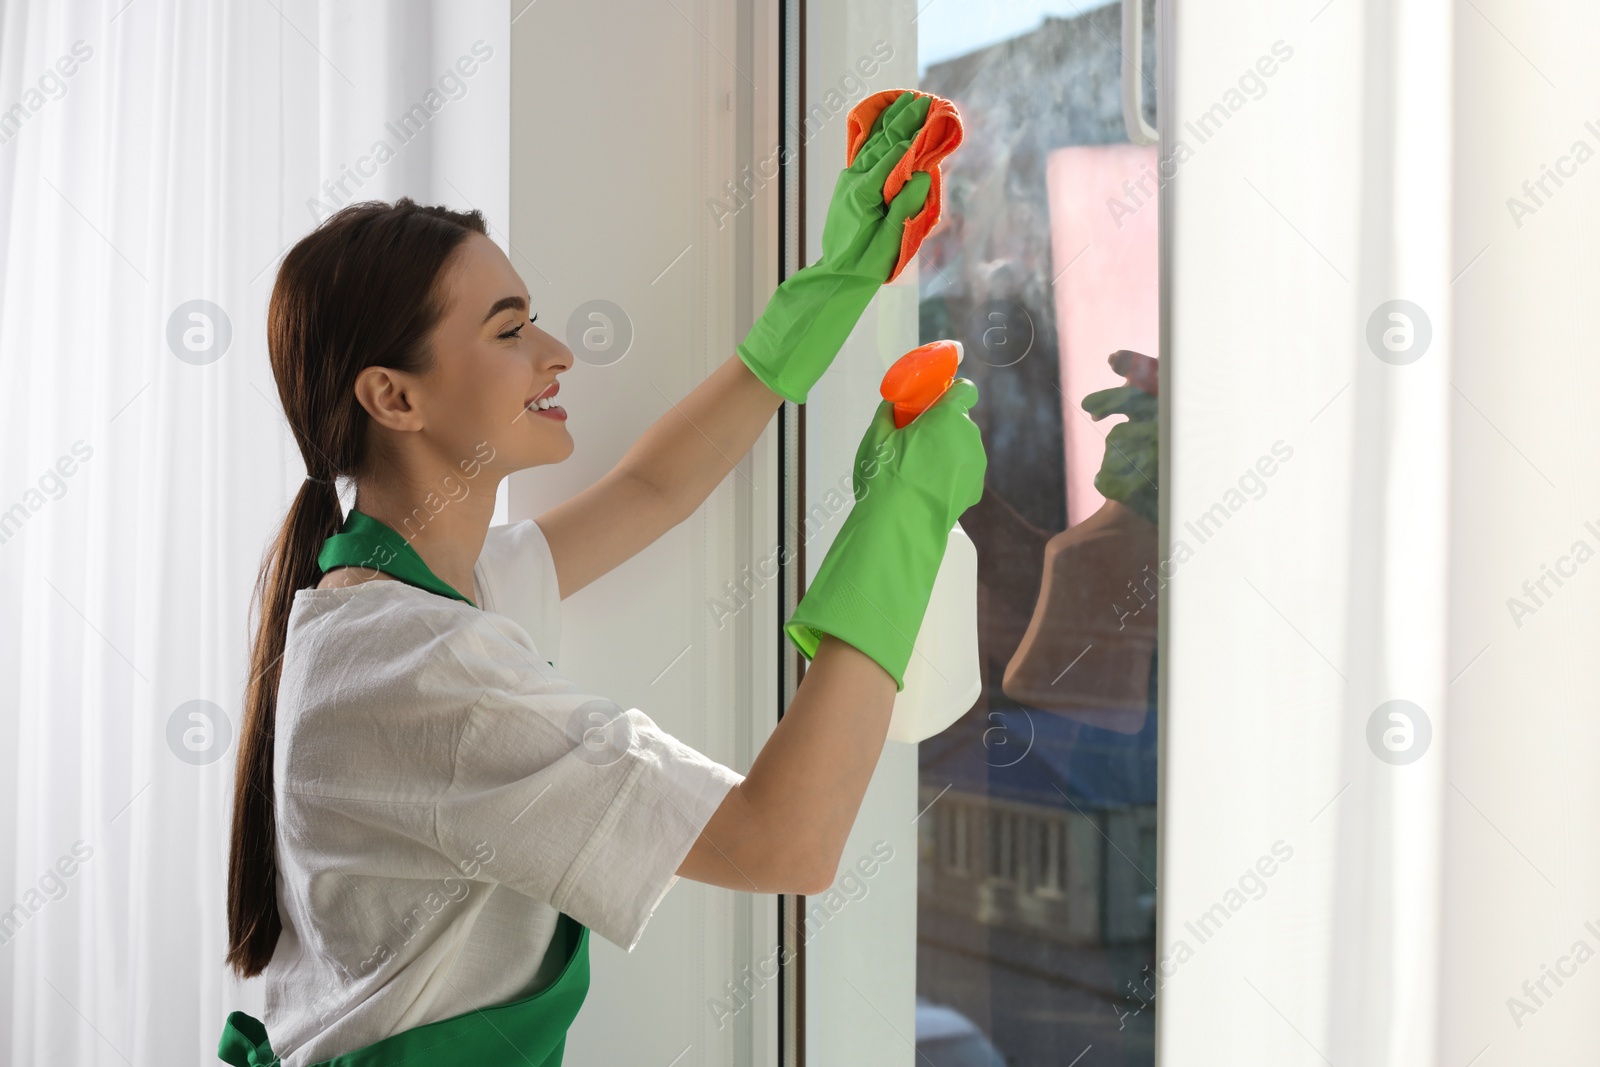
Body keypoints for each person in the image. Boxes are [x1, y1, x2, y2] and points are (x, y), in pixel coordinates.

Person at [217, 91, 987, 1067]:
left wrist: (832, 285)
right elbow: (786, 838)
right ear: (393, 396)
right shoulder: (426, 668)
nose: (555, 351)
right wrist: (902, 523)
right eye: (508, 331)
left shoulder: (398, 604)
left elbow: (654, 486)